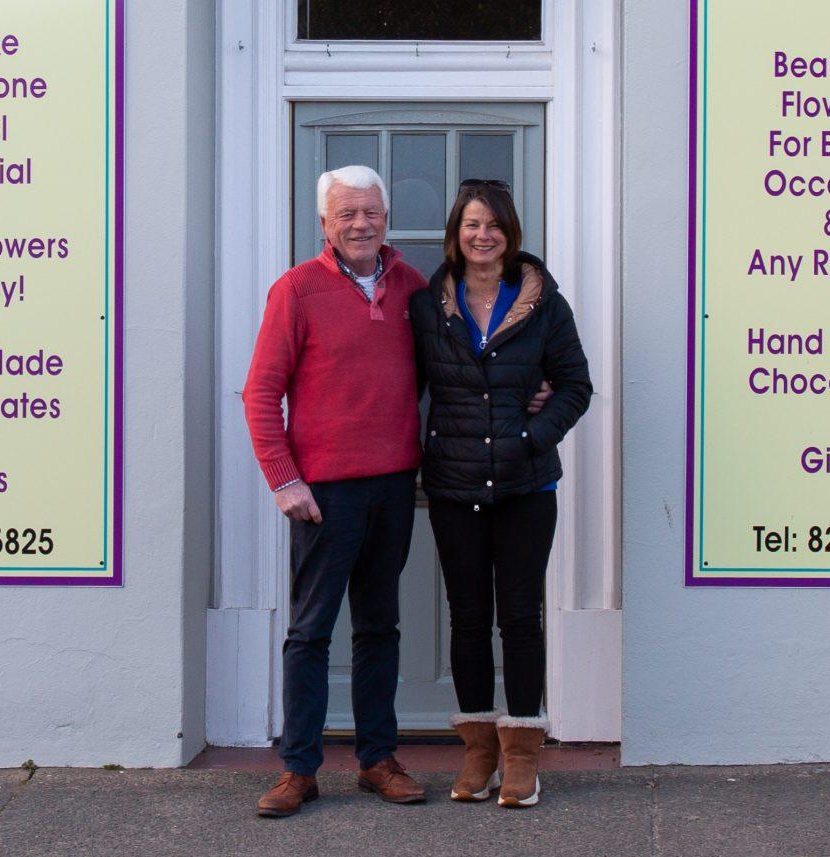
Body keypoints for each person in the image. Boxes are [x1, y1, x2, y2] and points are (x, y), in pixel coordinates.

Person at [240, 165, 430, 818]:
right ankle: (299, 768)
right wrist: (284, 479)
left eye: (371, 211)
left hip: (395, 485)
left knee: (380, 624)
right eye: (347, 213)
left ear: (386, 216)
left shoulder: (413, 287)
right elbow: (262, 391)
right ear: (325, 222)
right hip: (324, 493)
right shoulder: (295, 290)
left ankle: (378, 758)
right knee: (311, 630)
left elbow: (456, 373)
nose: (360, 224)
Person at [409, 177, 594, 809]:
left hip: (525, 487)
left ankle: (521, 757)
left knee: (518, 618)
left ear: (510, 234)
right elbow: (402, 385)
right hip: (456, 488)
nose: (482, 235)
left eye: (493, 225)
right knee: (466, 619)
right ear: (455, 235)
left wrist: (531, 436)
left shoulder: (545, 306)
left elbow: (574, 385)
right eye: (471, 225)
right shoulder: (428, 305)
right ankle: (479, 752)